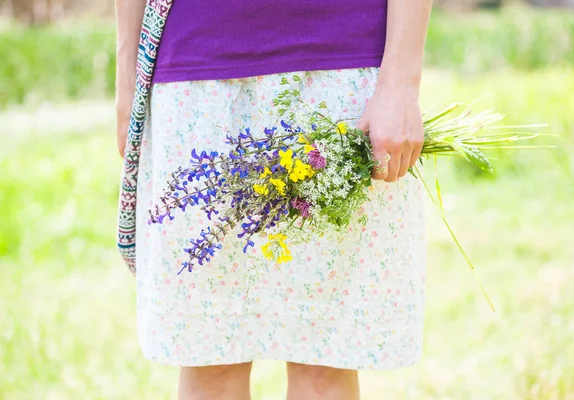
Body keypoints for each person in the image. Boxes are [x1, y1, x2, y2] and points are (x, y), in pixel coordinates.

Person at [115, 0, 432, 399]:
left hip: (341, 60)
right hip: (195, 72)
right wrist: (127, 75)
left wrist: (401, 81)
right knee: (209, 360)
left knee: (325, 365)